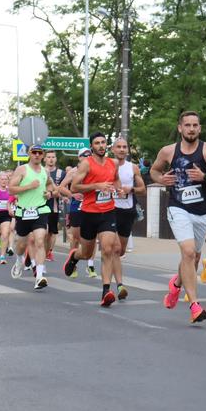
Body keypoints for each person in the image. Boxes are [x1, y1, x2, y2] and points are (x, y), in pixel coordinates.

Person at [150, 110, 206, 323]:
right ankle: (194, 305)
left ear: (199, 128)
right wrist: (161, 179)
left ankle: (176, 285)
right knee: (188, 252)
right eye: (187, 125)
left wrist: (205, 177)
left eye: (195, 125)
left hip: (204, 211)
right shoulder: (168, 151)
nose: (191, 129)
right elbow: (154, 171)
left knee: (192, 256)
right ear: (180, 128)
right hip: (178, 207)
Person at [62, 132, 123, 307]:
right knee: (87, 253)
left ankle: (106, 290)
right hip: (89, 213)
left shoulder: (113, 164)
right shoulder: (86, 165)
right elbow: (74, 187)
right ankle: (74, 256)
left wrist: (119, 189)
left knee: (108, 249)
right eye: (97, 143)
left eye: (103, 142)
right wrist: (96, 186)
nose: (101, 146)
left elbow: (116, 179)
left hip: (108, 212)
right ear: (92, 147)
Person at [8, 145, 55, 290]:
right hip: (24, 211)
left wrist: (49, 193)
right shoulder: (22, 170)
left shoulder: (45, 171)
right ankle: (19, 260)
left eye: (39, 153)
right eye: (34, 152)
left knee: (40, 240)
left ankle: (40, 276)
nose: (36, 155)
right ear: (29, 154)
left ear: (42, 155)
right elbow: (11, 189)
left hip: (40, 211)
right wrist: (29, 186)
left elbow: (51, 186)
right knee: (21, 244)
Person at [110, 137, 146, 300]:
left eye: (125, 147)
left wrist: (129, 189)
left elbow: (142, 189)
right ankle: (119, 285)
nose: (122, 149)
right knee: (115, 249)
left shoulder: (133, 168)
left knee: (121, 250)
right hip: (109, 210)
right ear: (113, 149)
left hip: (127, 211)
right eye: (119, 147)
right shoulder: (107, 165)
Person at [58, 147, 97, 278]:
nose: (86, 158)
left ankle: (90, 265)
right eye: (83, 156)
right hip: (77, 207)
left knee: (93, 237)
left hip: (92, 205)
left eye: (89, 155)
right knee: (75, 237)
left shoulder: (95, 169)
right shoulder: (74, 172)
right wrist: (72, 195)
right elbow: (61, 187)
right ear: (79, 158)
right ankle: (72, 264)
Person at [43, 150, 66, 261]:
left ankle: (49, 252)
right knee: (43, 231)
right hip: (40, 205)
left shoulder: (61, 173)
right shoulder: (40, 171)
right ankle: (40, 251)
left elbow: (62, 189)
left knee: (52, 232)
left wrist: (57, 194)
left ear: (56, 159)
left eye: (53, 157)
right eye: (49, 157)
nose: (51, 159)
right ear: (45, 159)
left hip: (54, 206)